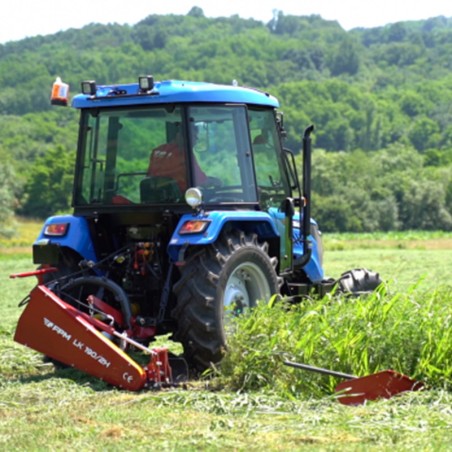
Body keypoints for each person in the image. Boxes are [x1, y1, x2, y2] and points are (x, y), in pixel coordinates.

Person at [147, 124, 216, 192]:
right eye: (193, 136)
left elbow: (150, 175)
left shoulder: (157, 151)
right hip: (180, 197)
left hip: (156, 196)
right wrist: (215, 182)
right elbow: (200, 181)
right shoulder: (183, 154)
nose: (196, 140)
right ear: (179, 135)